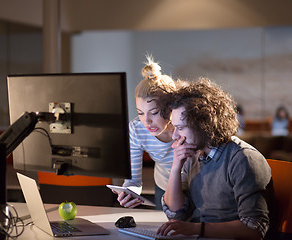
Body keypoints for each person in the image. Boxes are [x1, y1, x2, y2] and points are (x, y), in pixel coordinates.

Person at [157, 78, 272, 239]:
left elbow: (254, 227)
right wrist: (176, 166)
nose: (175, 136)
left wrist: (195, 229)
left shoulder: (244, 159)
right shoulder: (193, 156)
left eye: (180, 128)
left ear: (204, 124)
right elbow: (176, 214)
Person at [115, 56, 177, 210]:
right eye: (140, 113)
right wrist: (129, 193)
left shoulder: (186, 126)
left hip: (198, 183)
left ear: (171, 108)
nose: (146, 122)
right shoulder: (137, 129)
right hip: (164, 184)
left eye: (154, 112)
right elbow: (133, 181)